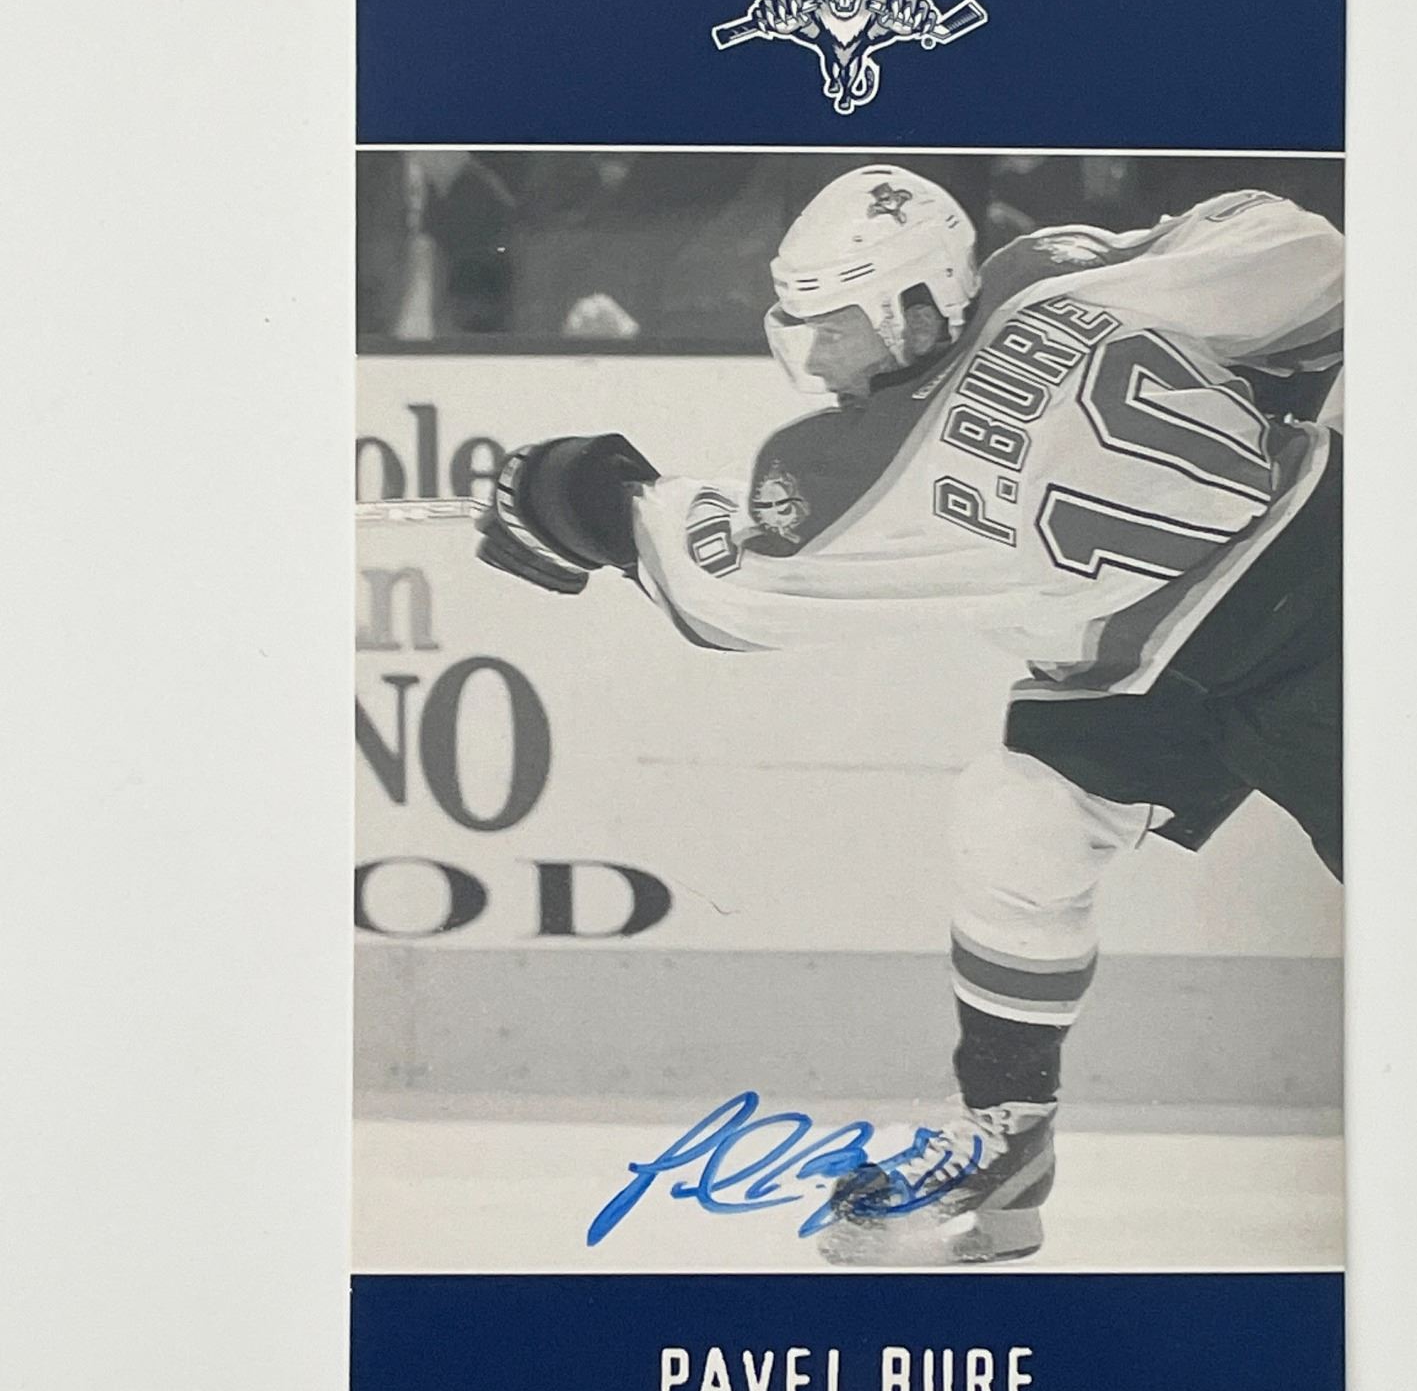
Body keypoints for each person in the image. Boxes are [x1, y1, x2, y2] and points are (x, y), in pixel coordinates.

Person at [475, 165, 1344, 1265]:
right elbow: (1310, 263)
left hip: (1327, 628)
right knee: (1020, 816)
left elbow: (727, 593)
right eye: (798, 327)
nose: (815, 359)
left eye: (835, 326)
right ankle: (1005, 1147)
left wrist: (595, 498)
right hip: (1180, 639)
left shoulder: (860, 462)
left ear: (920, 306)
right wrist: (1262, 382)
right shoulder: (1048, 270)